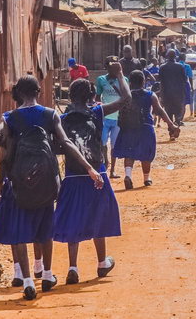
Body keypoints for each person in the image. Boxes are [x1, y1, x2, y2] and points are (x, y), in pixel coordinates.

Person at [0, 75, 103, 300]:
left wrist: (2, 180)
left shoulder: (10, 117)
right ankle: (48, 274)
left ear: (18, 94)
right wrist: (89, 167)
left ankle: (28, 280)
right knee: (45, 227)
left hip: (18, 180)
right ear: (38, 92)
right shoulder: (50, 114)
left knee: (21, 229)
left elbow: (2, 145)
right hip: (47, 180)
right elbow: (66, 142)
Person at [54, 77, 130, 284]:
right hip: (98, 173)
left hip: (72, 174)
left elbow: (57, 147)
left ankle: (73, 266)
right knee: (99, 216)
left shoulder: (63, 118)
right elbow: (126, 98)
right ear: (91, 95)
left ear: (70, 96)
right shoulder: (96, 112)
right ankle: (102, 262)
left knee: (72, 219)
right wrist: (121, 73)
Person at [113, 70, 179, 189]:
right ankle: (146, 178)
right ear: (143, 81)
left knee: (129, 153)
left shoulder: (126, 96)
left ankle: (128, 175)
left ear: (131, 82)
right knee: (146, 154)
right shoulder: (150, 95)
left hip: (128, 127)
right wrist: (171, 124)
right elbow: (159, 110)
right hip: (146, 127)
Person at [96, 57, 128, 179]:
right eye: (111, 66)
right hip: (105, 118)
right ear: (107, 67)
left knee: (114, 145)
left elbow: (127, 97)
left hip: (118, 119)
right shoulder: (101, 80)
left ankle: (112, 170)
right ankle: (105, 162)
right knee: (102, 143)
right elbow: (98, 98)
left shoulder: (124, 80)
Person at [158, 50, 188, 131]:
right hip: (178, 94)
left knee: (169, 113)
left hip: (167, 94)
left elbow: (159, 79)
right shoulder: (180, 66)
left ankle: (171, 131)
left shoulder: (162, 67)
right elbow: (185, 80)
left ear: (167, 56)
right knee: (178, 111)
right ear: (175, 56)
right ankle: (177, 122)